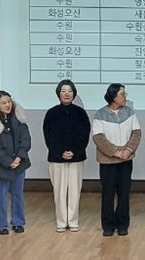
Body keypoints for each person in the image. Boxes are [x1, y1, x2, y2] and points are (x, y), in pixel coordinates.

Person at [91, 83, 141, 236]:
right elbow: (98, 138)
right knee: (108, 194)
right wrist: (115, 152)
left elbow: (136, 133)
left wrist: (128, 150)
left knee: (124, 193)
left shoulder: (129, 112)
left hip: (126, 160)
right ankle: (108, 226)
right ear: (113, 96)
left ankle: (123, 224)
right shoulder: (100, 114)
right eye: (122, 94)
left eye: (125, 94)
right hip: (108, 162)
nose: (125, 97)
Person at [43, 79, 91, 232]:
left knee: (75, 190)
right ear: (58, 94)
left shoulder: (80, 113)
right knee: (59, 191)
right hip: (56, 158)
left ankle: (73, 220)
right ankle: (61, 221)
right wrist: (60, 152)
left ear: (74, 94)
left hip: (76, 157)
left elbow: (84, 135)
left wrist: (74, 151)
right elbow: (49, 136)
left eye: (70, 91)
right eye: (63, 91)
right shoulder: (51, 113)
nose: (66, 94)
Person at [0, 90, 32, 235]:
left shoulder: (18, 117)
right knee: (1, 196)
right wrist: (8, 161)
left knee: (18, 194)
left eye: (9, 101)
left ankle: (18, 222)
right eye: (4, 103)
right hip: (1, 165)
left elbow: (26, 139)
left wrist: (19, 157)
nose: (8, 105)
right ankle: (1, 225)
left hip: (19, 163)